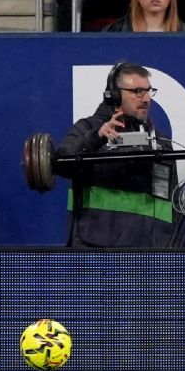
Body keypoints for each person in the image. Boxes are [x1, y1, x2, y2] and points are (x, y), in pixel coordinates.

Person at [54, 62, 176, 247]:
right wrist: (96, 138)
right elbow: (61, 163)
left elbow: (168, 204)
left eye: (148, 91)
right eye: (137, 91)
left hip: (149, 257)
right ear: (115, 95)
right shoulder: (89, 129)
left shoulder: (160, 141)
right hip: (95, 254)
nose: (146, 99)